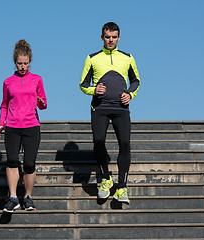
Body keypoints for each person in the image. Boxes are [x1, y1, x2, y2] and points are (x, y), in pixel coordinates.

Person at [79, 22, 140, 203]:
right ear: (102, 38)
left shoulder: (128, 57)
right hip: (100, 108)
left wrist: (130, 94)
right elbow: (83, 84)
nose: (111, 40)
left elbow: (136, 81)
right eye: (107, 37)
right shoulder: (92, 58)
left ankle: (122, 187)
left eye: (114, 37)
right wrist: (93, 90)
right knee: (98, 142)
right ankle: (106, 178)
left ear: (119, 38)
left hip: (121, 109)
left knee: (125, 144)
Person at [0, 39, 47, 212]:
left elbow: (44, 104)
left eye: (25, 63)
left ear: (30, 63)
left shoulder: (37, 80)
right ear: (15, 62)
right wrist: (0, 123)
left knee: (29, 164)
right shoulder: (8, 82)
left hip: (31, 125)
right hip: (12, 126)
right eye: (20, 63)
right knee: (12, 161)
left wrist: (40, 101)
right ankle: (13, 197)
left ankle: (28, 197)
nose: (23, 67)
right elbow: (4, 104)